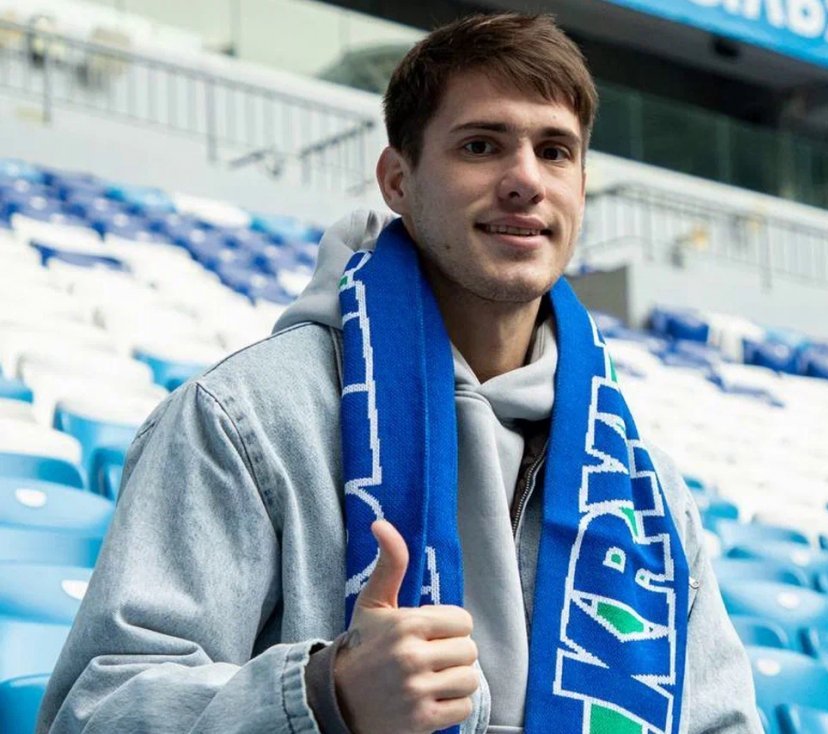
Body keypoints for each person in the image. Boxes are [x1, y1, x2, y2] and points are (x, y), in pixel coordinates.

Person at [38, 13, 761, 734]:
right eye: (481, 146)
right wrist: (326, 696)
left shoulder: (648, 493)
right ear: (397, 179)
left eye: (555, 152)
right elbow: (94, 714)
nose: (525, 180)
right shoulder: (242, 419)